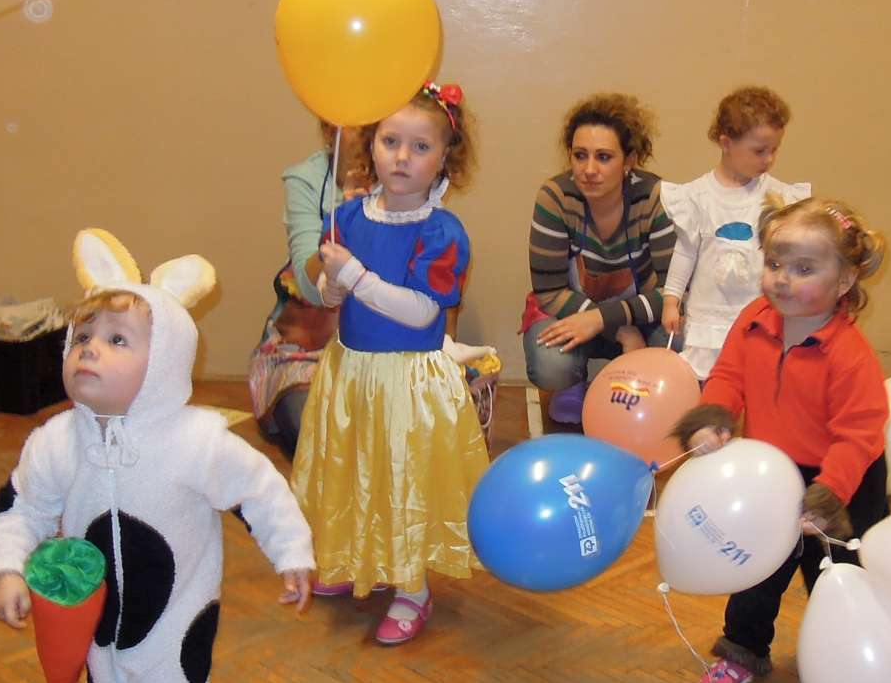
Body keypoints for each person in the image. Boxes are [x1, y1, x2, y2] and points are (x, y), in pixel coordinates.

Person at [0, 229, 315, 683]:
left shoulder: (195, 441)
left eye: (117, 340)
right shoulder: (56, 441)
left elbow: (259, 489)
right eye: (83, 337)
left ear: (163, 360)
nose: (90, 349)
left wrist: (291, 552)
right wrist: (7, 567)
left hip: (176, 617)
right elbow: (20, 505)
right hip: (94, 613)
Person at [291, 81, 489, 643]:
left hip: (408, 380)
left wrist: (353, 275)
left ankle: (411, 586)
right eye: (390, 141)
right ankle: (360, 560)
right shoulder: (348, 216)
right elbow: (333, 292)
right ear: (370, 146)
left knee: (404, 478)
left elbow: (422, 311)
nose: (402, 157)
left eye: (420, 147)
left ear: (445, 157)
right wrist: (331, 287)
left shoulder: (442, 232)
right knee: (357, 468)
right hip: (350, 373)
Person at [671, 195, 889, 683]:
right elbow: (728, 377)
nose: (782, 279)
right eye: (774, 264)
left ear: (844, 281)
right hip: (770, 474)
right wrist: (713, 418)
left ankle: (854, 658)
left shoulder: (850, 355)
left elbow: (859, 435)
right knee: (756, 572)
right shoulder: (754, 318)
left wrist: (827, 496)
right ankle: (741, 652)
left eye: (804, 269)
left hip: (843, 481)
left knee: (838, 577)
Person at [521, 92, 675, 423]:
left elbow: (673, 293)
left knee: (682, 341)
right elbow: (549, 291)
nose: (589, 169)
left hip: (643, 319)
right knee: (550, 363)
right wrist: (620, 330)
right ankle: (574, 385)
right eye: (580, 156)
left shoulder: (656, 197)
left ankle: (643, 390)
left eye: (604, 157)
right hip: (577, 315)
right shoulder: (555, 198)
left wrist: (608, 319)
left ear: (629, 160)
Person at [660, 86, 810, 380]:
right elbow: (686, 252)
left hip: (760, 314)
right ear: (726, 143)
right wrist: (671, 300)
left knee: (759, 380)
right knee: (709, 383)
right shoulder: (698, 197)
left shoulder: (778, 198)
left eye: (774, 150)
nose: (769, 159)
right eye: (759, 151)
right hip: (709, 317)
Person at [246, 120, 363, 457]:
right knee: (313, 430)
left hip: (381, 349)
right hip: (308, 346)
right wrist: (347, 221)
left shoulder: (404, 176)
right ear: (330, 130)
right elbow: (310, 284)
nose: (371, 131)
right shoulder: (307, 179)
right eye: (359, 124)